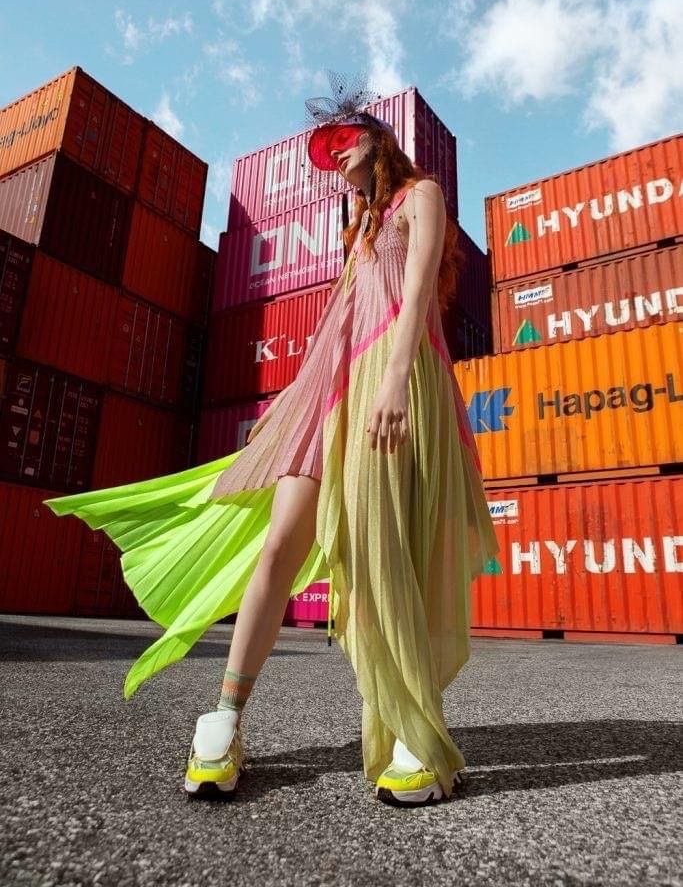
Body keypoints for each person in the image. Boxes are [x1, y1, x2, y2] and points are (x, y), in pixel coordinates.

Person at [44, 84, 500, 808]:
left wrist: (389, 389)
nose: (334, 156)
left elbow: (414, 297)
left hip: (393, 377)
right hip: (329, 399)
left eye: (342, 139)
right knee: (279, 544)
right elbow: (334, 334)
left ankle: (418, 726)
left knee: (386, 550)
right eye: (324, 151)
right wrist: (290, 405)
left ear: (377, 136)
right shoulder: (356, 226)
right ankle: (223, 722)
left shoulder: (421, 195)